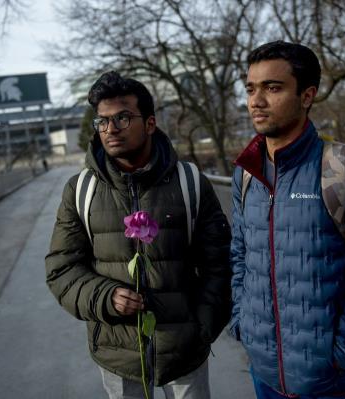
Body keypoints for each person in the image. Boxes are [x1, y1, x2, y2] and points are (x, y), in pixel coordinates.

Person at [229, 41, 345, 399]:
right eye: (251, 88)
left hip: (335, 384)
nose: (256, 100)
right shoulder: (246, 174)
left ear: (307, 95)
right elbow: (240, 255)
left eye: (273, 88)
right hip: (264, 375)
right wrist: (243, 324)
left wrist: (339, 354)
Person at [45, 71, 231, 399]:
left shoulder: (189, 182)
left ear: (149, 123)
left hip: (185, 351)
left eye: (123, 117)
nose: (111, 128)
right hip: (117, 353)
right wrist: (105, 297)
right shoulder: (81, 190)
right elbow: (61, 270)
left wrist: (202, 328)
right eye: (102, 121)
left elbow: (221, 263)